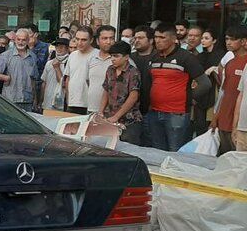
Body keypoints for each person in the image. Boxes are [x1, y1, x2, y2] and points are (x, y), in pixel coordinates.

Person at [147, 22, 210, 151]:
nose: (158, 41)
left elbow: (205, 84)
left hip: (177, 114)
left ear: (173, 39)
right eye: (156, 37)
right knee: (157, 151)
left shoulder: (186, 57)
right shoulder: (154, 57)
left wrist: (189, 97)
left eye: (162, 38)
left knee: (175, 152)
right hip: (154, 112)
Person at [211, 25, 247, 154]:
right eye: (227, 39)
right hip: (224, 119)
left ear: (243, 41)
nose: (228, 42)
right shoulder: (230, 63)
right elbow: (223, 92)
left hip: (241, 123)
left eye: (232, 39)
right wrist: (216, 116)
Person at [99, 40, 143, 144]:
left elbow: (133, 97)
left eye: (116, 56)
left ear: (126, 57)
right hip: (110, 118)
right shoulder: (110, 70)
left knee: (128, 150)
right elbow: (106, 90)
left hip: (129, 121)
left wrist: (116, 117)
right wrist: (100, 112)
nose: (113, 59)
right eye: (112, 56)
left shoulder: (133, 72)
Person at [0, 28, 39, 111]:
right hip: (10, 100)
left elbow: (33, 80)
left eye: (23, 40)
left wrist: (35, 100)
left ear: (28, 41)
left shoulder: (33, 57)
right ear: (15, 40)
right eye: (18, 39)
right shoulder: (6, 55)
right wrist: (5, 78)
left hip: (27, 101)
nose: (20, 42)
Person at [63, 27, 96, 115]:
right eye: (77, 39)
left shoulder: (97, 55)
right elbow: (68, 78)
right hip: (72, 103)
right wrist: (68, 99)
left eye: (84, 40)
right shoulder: (72, 55)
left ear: (91, 40)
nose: (80, 43)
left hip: (90, 104)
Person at [86, 25, 116, 115]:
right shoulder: (91, 58)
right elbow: (88, 81)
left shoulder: (122, 60)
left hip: (112, 111)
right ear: (97, 41)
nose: (108, 42)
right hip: (92, 108)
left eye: (111, 38)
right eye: (104, 38)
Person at [41, 37, 70, 112]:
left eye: (61, 47)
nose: (59, 49)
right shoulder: (49, 63)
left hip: (61, 105)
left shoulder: (70, 63)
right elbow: (44, 83)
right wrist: (41, 100)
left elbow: (63, 84)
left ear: (67, 49)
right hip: (47, 103)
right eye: (57, 46)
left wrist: (57, 68)